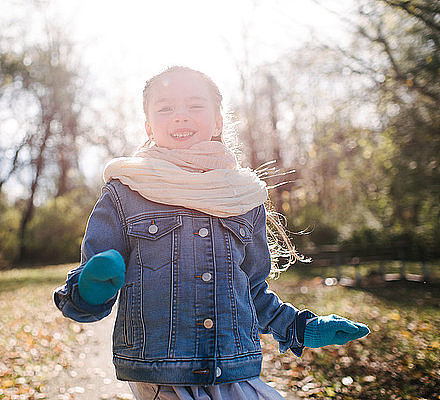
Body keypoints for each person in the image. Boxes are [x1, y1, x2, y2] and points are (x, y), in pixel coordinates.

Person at [53, 66, 369, 400]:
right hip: (163, 374)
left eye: (195, 105)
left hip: (235, 368)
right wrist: (89, 292)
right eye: (166, 108)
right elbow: (89, 284)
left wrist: (299, 327)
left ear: (218, 121)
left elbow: (251, 291)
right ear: (149, 126)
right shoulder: (125, 192)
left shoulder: (245, 198)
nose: (180, 116)